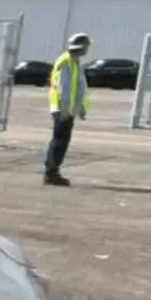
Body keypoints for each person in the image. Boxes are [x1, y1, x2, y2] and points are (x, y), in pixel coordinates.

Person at [45, 32, 91, 186]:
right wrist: (64, 108)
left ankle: (53, 171)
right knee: (59, 140)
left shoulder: (74, 61)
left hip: (67, 108)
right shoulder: (66, 62)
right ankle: (51, 172)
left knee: (63, 140)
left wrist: (80, 108)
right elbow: (63, 87)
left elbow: (78, 87)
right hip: (62, 108)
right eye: (86, 45)